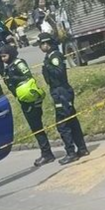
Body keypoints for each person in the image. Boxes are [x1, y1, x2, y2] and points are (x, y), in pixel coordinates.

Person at [0, 45, 55, 167]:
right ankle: (46, 152)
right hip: (23, 99)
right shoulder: (8, 67)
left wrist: (14, 78)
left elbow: (28, 76)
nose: (3, 59)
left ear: (10, 54)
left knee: (37, 127)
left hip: (31, 99)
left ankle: (47, 154)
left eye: (4, 56)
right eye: (1, 57)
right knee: (35, 128)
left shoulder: (18, 63)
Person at [37, 32, 88, 165]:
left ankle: (71, 153)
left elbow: (59, 72)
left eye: (41, 44)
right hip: (59, 91)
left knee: (63, 124)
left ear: (47, 43)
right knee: (72, 120)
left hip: (61, 92)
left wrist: (47, 66)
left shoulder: (55, 56)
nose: (40, 47)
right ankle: (82, 148)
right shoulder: (50, 56)